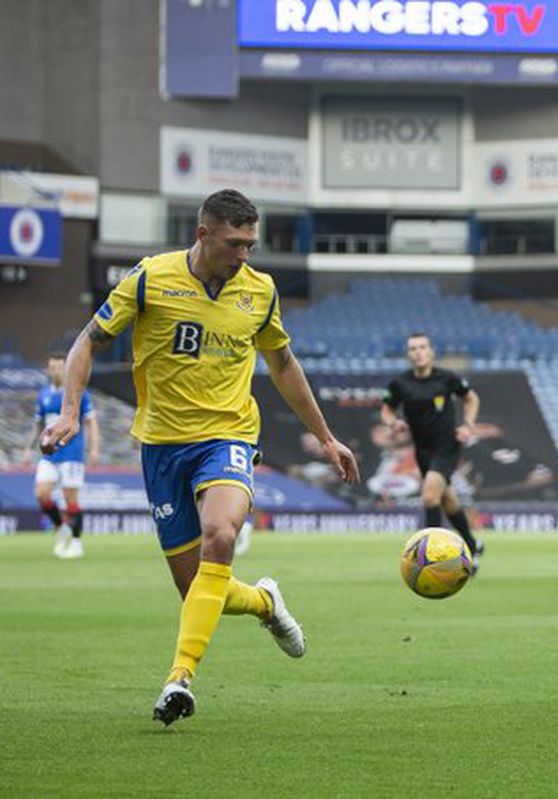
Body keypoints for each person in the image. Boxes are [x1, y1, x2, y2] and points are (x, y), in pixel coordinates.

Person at [41, 189, 360, 726]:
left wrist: (326, 438)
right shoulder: (149, 279)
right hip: (163, 445)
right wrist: (71, 411)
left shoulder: (260, 291)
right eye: (235, 243)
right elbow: (87, 343)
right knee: (196, 590)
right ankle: (264, 602)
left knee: (221, 535)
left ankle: (179, 679)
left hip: (229, 436)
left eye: (251, 245)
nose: (244, 255)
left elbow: (283, 364)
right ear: (203, 234)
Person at [381, 333, 482, 558]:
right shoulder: (400, 383)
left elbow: (471, 398)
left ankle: (431, 554)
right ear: (408, 355)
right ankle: (473, 545)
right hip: (423, 450)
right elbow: (387, 409)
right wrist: (392, 422)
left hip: (447, 446)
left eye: (422, 347)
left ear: (431, 351)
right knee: (447, 499)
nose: (418, 352)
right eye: (413, 348)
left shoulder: (446, 378)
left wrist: (468, 425)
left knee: (429, 496)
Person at [27, 351, 100, 559]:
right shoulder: (44, 395)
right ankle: (61, 527)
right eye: (54, 366)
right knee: (41, 494)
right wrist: (28, 447)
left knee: (70, 500)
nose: (57, 370)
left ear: (66, 368)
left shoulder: (78, 392)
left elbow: (91, 421)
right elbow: (38, 424)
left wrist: (94, 448)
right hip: (49, 455)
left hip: (72, 454)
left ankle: (76, 543)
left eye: (61, 366)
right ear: (48, 369)